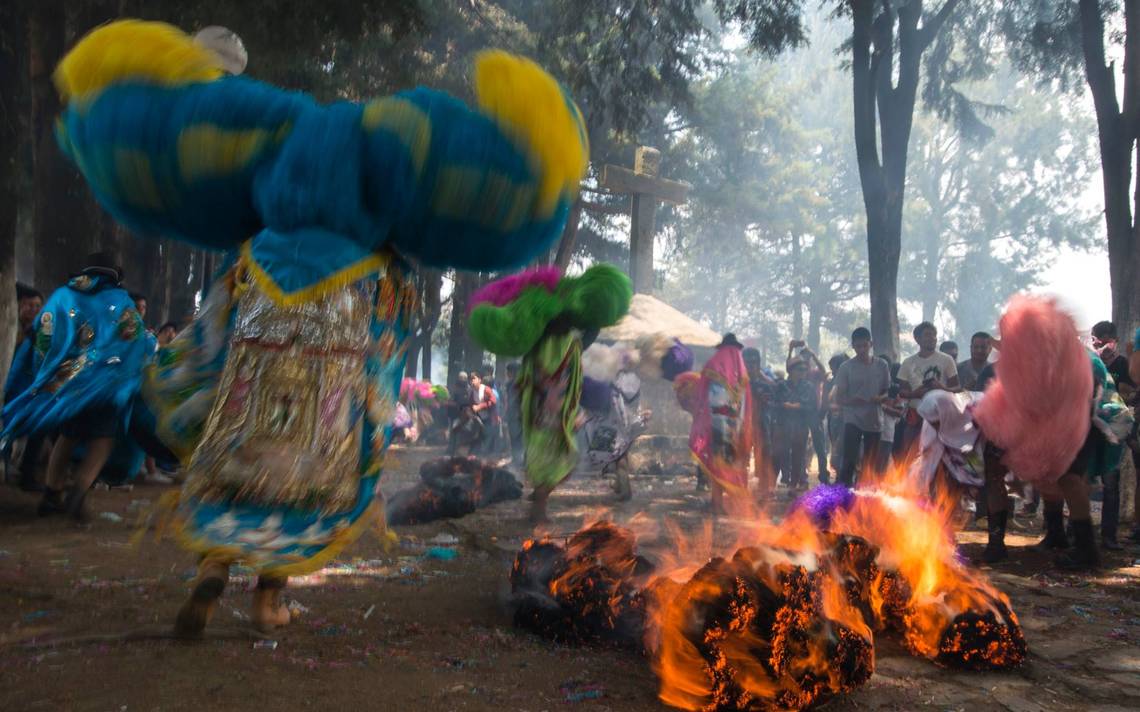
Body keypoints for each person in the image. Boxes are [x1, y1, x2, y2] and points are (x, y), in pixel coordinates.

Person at [54, 19, 589, 635]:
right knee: (312, 466)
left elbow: (217, 316)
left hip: (263, 299)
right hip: (342, 308)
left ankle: (211, 565)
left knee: (241, 445)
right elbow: (390, 330)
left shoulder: (266, 202)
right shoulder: (377, 190)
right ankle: (268, 596)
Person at [468, 265, 631, 523]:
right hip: (553, 413)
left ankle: (538, 503)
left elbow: (528, 378)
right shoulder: (565, 344)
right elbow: (562, 369)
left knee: (548, 457)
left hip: (539, 411)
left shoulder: (541, 343)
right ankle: (538, 510)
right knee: (557, 459)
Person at [2, 252, 150, 521]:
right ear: (113, 275)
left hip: (66, 385)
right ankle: (79, 491)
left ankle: (51, 494)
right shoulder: (121, 302)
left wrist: (44, 373)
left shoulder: (63, 296)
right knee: (103, 438)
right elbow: (136, 342)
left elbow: (40, 336)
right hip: (105, 388)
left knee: (68, 435)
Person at [688, 333, 753, 514]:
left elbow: (701, 397)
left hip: (715, 425)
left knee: (717, 464)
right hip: (736, 427)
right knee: (734, 464)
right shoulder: (742, 375)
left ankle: (717, 503)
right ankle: (735, 505)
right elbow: (746, 406)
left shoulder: (711, 367)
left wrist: (700, 419)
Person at [1089, 321, 1134, 550]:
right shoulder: (1089, 362)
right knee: (1081, 479)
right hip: (1088, 427)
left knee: (1111, 482)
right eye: (1100, 339)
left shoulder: (1123, 364)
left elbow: (1129, 393)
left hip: (1113, 431)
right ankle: (1077, 533)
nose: (1105, 344)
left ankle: (1108, 536)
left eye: (1108, 339)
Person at [832, 327, 890, 487]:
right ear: (853, 347)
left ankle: (866, 493)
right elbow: (839, 397)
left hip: (874, 419)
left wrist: (880, 398)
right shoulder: (846, 367)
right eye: (858, 347)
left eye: (865, 345)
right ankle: (844, 493)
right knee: (849, 459)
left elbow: (887, 392)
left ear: (871, 344)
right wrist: (852, 400)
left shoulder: (882, 365)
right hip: (853, 419)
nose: (862, 350)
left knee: (870, 461)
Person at [4, 284, 46, 490]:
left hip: (28, 393)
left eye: (38, 306)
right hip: (12, 393)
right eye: (30, 305)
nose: (34, 310)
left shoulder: (37, 334)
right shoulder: (10, 329)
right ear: (18, 305)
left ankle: (26, 473)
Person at [898, 322, 959, 453]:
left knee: (939, 456)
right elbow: (901, 391)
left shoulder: (947, 360)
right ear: (917, 339)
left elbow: (957, 389)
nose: (932, 338)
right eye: (927, 335)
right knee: (910, 455)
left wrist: (941, 387)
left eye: (934, 335)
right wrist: (915, 394)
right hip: (915, 416)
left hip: (940, 417)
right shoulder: (908, 362)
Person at [775, 356, 817, 489]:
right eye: (800, 369)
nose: (803, 372)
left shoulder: (809, 387)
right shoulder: (781, 385)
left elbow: (813, 406)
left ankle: (793, 484)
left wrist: (798, 406)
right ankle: (784, 479)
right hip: (783, 425)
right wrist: (783, 405)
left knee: (798, 455)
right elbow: (774, 403)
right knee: (782, 453)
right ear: (791, 370)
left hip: (801, 426)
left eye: (805, 370)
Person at [743, 348, 777, 498]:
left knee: (764, 455)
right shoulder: (738, 380)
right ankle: (740, 487)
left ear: (758, 363)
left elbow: (777, 389)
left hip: (762, 424)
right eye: (748, 362)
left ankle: (764, 487)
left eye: (754, 362)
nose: (751, 365)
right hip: (742, 425)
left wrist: (760, 376)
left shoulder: (766, 379)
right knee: (741, 456)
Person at [825, 354, 848, 481]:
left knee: (842, 448)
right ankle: (840, 476)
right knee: (836, 446)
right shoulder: (831, 382)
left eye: (834, 368)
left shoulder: (848, 380)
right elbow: (827, 400)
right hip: (834, 419)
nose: (832, 371)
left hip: (847, 419)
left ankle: (843, 477)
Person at [469, 370, 499, 454]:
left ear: (479, 380)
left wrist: (480, 406)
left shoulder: (486, 389)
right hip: (479, 418)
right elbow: (471, 403)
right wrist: (471, 409)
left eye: (474, 379)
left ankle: (488, 457)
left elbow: (493, 401)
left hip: (489, 418)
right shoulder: (472, 392)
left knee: (488, 437)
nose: (472, 381)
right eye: (471, 379)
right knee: (477, 437)